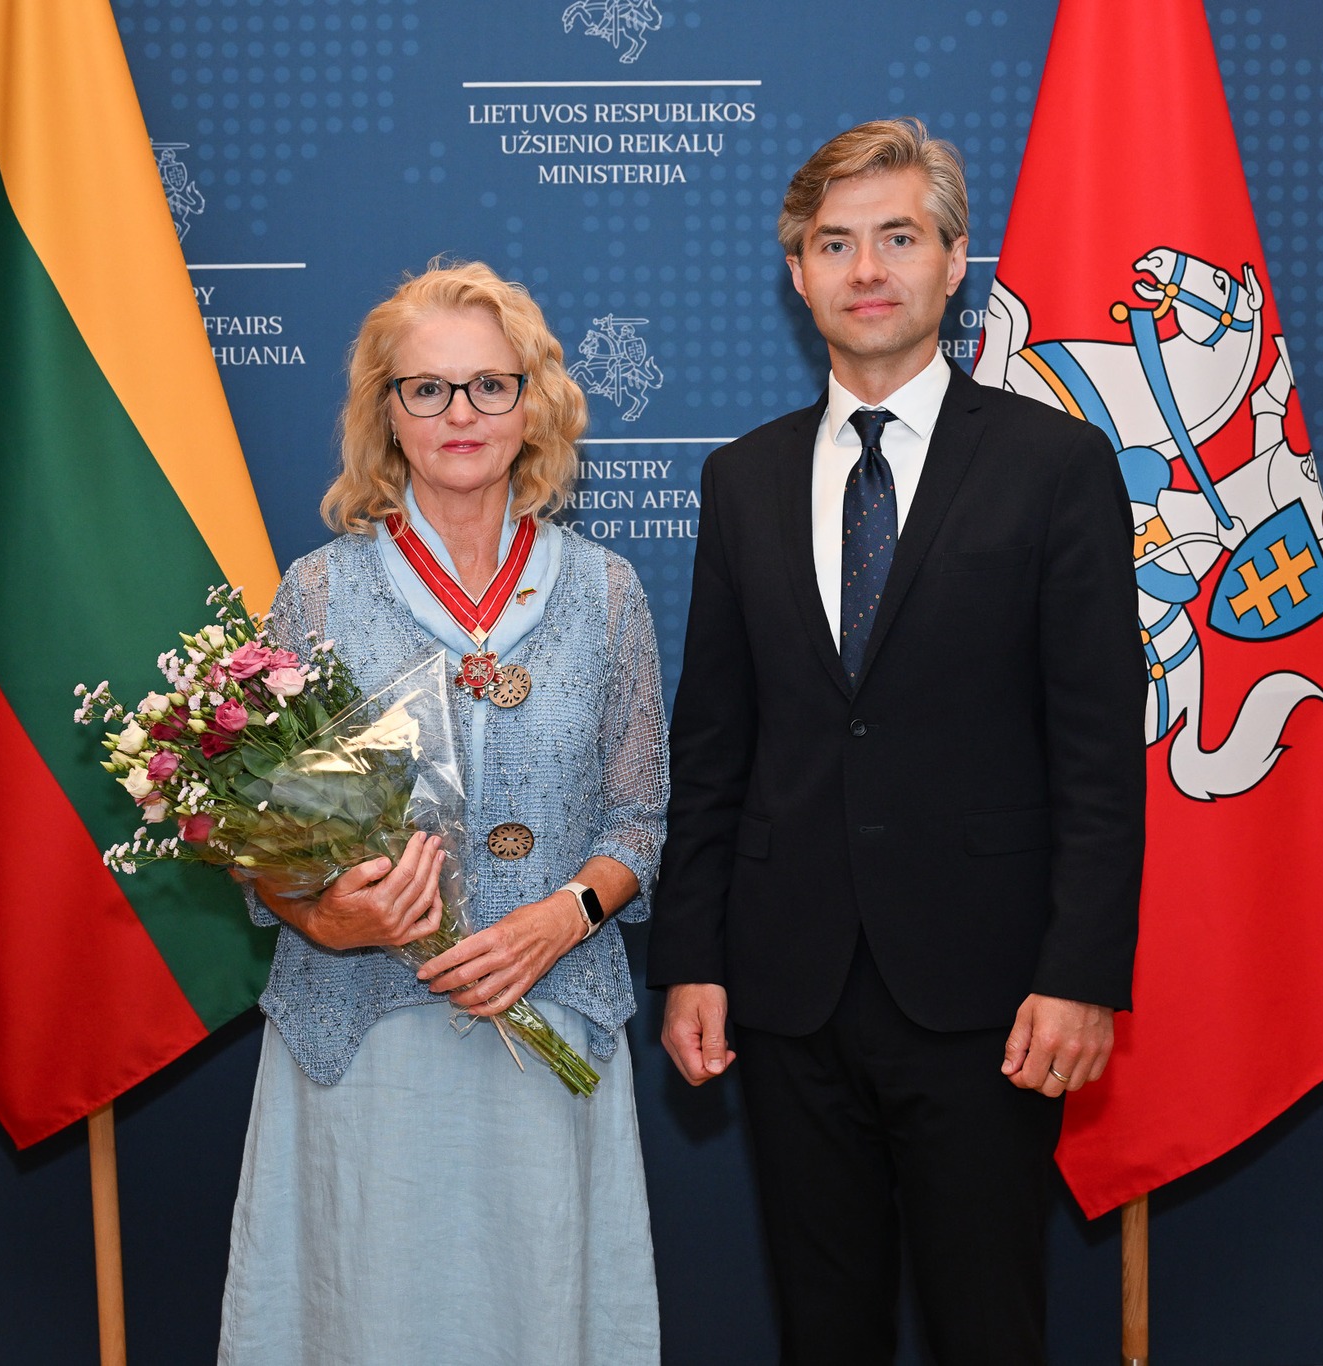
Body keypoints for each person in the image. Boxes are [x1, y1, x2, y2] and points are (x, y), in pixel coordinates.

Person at [648, 119, 1144, 1365]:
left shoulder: (1054, 465)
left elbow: (1097, 748)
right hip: (786, 989)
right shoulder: (740, 479)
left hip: (991, 994)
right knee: (823, 1330)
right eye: (833, 244)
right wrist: (690, 956)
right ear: (796, 272)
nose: (866, 269)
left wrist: (1081, 972)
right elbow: (713, 742)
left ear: (953, 259)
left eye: (898, 238)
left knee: (986, 1327)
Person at [218, 260, 666, 1366]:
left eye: (488, 385)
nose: (459, 413)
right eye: (427, 388)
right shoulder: (319, 591)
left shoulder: (605, 590)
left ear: (533, 405)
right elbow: (264, 844)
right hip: (366, 1043)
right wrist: (324, 916)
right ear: (387, 413)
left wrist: (561, 917)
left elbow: (640, 818)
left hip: (549, 1024)